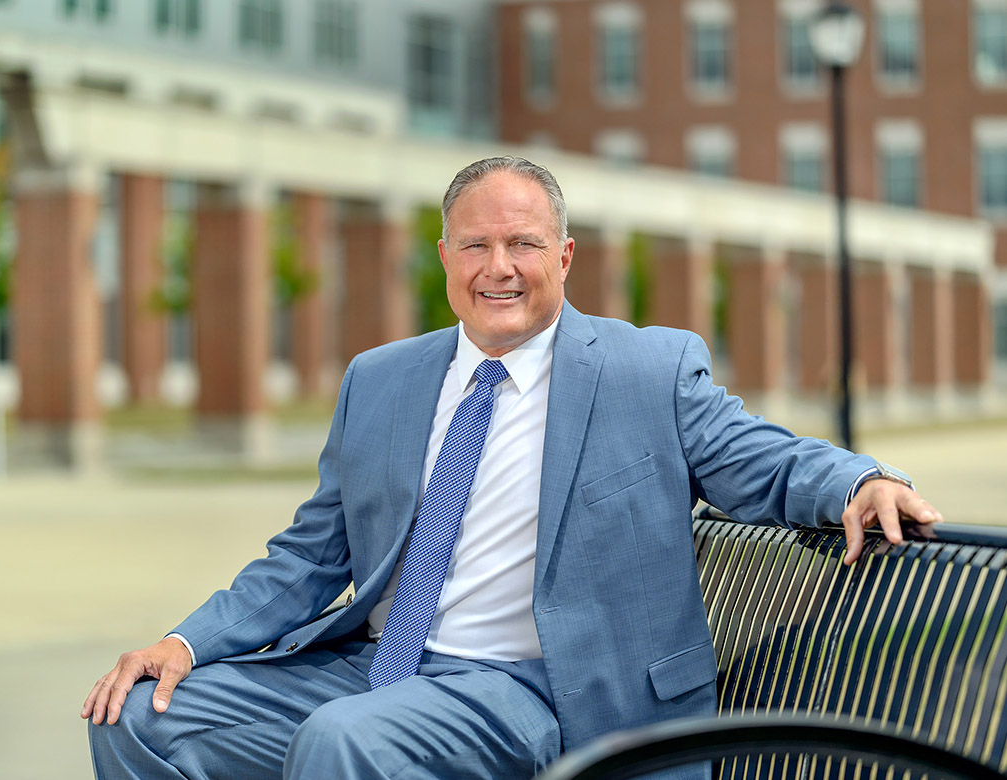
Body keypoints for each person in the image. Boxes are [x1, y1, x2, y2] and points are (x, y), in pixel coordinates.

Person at [83, 156, 941, 780]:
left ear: (564, 259)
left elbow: (759, 456)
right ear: (446, 258)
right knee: (140, 719)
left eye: (524, 244)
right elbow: (310, 558)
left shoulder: (646, 371)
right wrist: (184, 642)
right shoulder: (379, 379)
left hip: (535, 691)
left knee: (346, 742)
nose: (500, 268)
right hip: (372, 671)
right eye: (476, 246)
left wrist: (859, 482)